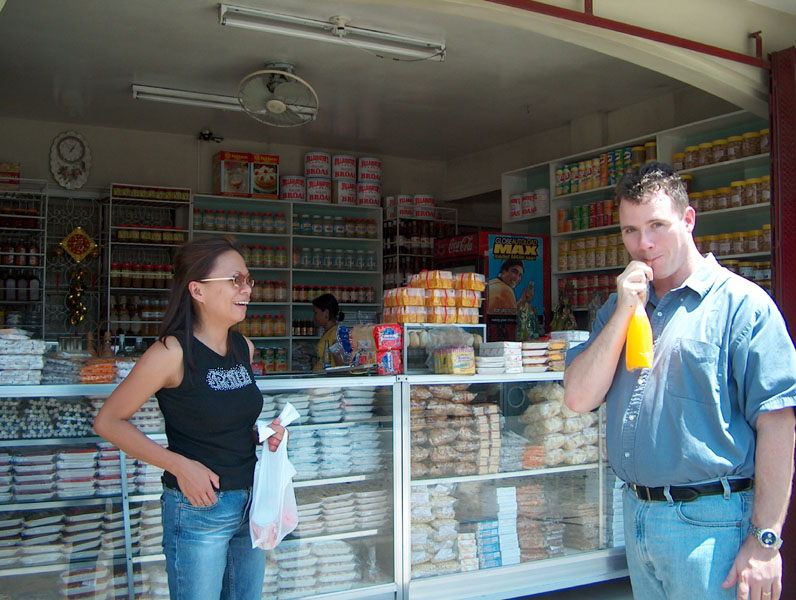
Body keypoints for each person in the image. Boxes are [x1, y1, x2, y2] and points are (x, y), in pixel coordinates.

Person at [563, 162, 796, 600]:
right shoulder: (620, 306)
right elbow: (578, 397)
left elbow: (779, 423)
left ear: (688, 220)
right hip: (636, 514)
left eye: (657, 226)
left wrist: (766, 540)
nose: (644, 244)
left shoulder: (743, 306)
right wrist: (623, 312)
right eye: (630, 231)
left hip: (711, 523)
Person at [93, 236, 285, 600]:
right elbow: (108, 421)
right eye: (235, 280)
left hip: (251, 502)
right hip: (199, 510)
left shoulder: (243, 347)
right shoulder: (170, 352)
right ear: (197, 290)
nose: (246, 289)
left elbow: (225, 418)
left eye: (248, 279)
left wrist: (265, 434)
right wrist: (181, 466)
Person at [312, 293, 345, 372]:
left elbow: (341, 366)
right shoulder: (328, 332)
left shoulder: (336, 334)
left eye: (316, 313)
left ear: (326, 313)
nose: (314, 317)